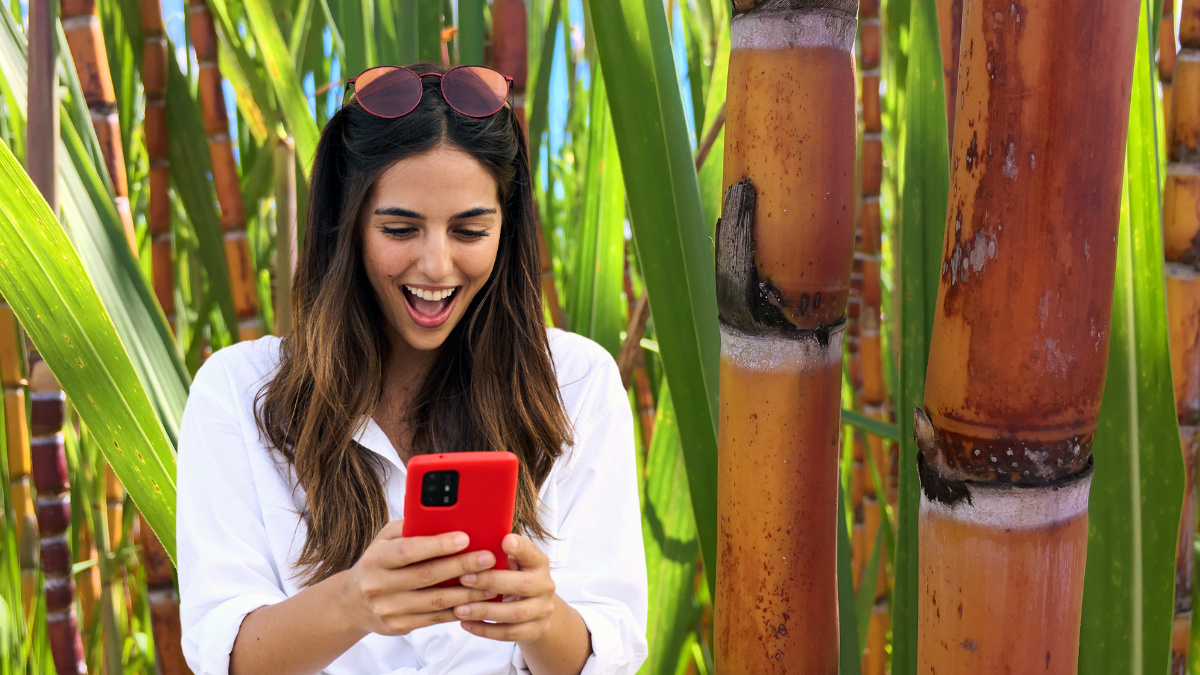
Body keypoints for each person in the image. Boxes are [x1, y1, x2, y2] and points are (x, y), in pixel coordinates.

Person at [175, 62, 648, 675]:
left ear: (506, 227)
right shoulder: (237, 391)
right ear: (346, 226)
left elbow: (608, 647)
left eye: (470, 230)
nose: (435, 265)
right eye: (400, 228)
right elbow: (225, 653)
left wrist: (542, 619)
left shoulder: (578, 382)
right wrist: (352, 603)